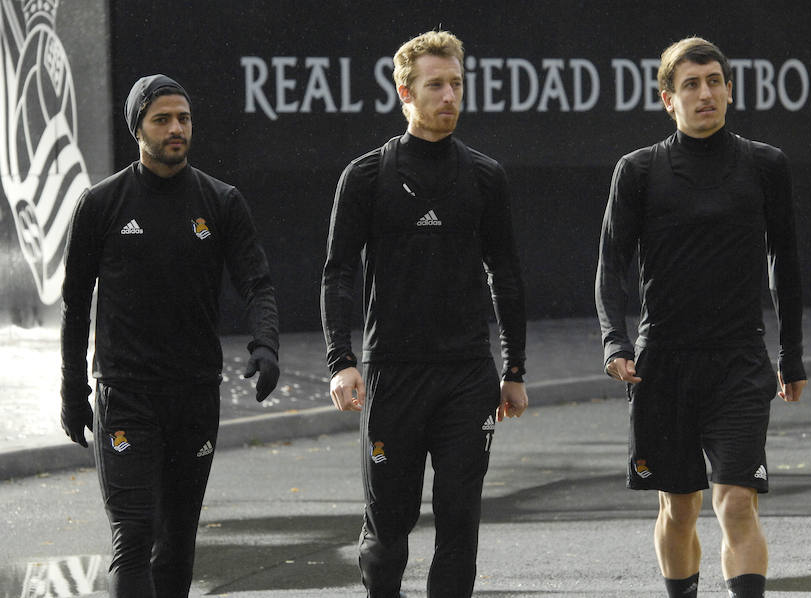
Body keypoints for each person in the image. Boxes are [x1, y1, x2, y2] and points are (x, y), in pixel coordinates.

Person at [596, 38, 807, 598]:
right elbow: (611, 265)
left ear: (730, 90)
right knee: (679, 507)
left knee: (736, 502)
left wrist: (791, 354)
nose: (705, 93)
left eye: (714, 81)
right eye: (691, 84)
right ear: (668, 99)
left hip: (739, 361)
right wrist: (615, 342)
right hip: (663, 364)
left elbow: (784, 263)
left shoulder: (765, 164)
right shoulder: (638, 170)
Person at [321, 30, 528, 598]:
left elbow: (506, 274)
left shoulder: (486, 176)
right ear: (405, 93)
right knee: (388, 526)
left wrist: (514, 369)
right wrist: (341, 361)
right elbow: (338, 272)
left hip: (466, 375)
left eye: (457, 83)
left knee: (459, 522)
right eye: (435, 85)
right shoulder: (365, 176)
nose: (450, 96)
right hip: (393, 373)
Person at [59, 74, 280, 598]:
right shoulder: (101, 204)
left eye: (183, 118)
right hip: (126, 393)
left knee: (177, 542)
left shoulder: (221, 201)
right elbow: (74, 304)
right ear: (137, 129)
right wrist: (72, 389)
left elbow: (257, 283)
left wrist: (266, 343)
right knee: (134, 535)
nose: (176, 128)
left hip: (195, 395)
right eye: (162, 119)